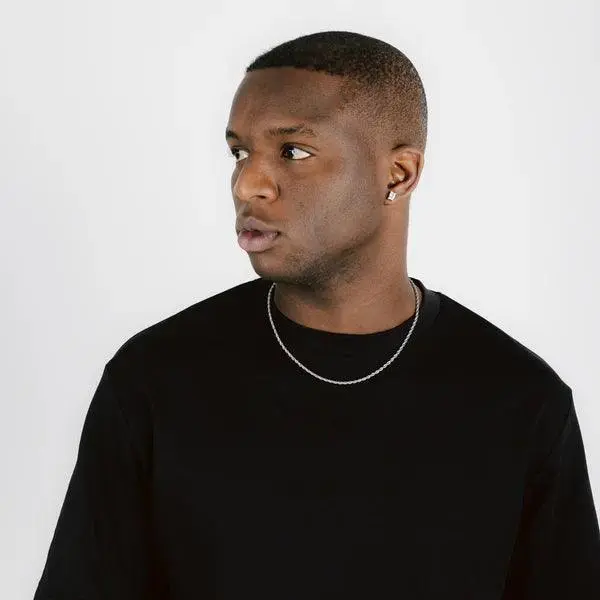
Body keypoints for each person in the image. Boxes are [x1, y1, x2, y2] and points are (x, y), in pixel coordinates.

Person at [33, 30, 600, 599]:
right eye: (239, 153)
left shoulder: (519, 399)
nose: (247, 184)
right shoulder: (155, 380)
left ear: (398, 174)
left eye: (293, 152)